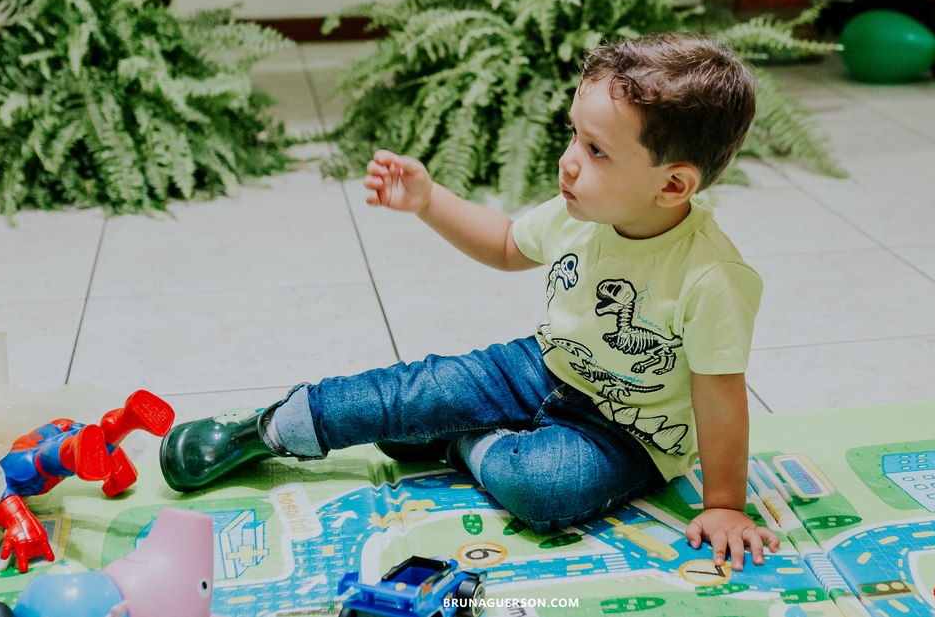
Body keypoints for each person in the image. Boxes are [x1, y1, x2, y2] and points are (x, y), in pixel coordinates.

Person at [161, 33, 777, 571]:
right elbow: (508, 244)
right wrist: (429, 201)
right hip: (539, 366)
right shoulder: (584, 213)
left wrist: (724, 503)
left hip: (629, 431)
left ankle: (457, 440)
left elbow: (720, 396)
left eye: (596, 151)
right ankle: (266, 428)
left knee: (546, 491)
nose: (567, 162)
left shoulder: (711, 277)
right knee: (414, 391)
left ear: (672, 185)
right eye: (574, 135)